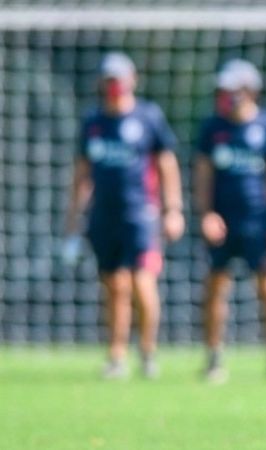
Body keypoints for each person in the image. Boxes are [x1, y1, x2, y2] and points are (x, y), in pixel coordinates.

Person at [64, 52, 185, 379]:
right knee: (115, 286)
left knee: (142, 283)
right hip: (104, 216)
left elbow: (166, 165)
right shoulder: (93, 122)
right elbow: (82, 173)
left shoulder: (148, 117)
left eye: (119, 78)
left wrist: (172, 209)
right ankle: (116, 355)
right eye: (109, 79)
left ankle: (147, 352)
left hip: (141, 215)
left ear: (132, 80)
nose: (114, 85)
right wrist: (73, 221)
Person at [194, 59, 266, 382]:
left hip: (260, 223)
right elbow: (202, 177)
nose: (226, 96)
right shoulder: (213, 128)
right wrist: (206, 214)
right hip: (223, 224)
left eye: (232, 90)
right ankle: (214, 358)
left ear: (250, 91)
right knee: (215, 286)